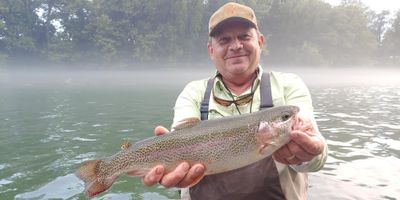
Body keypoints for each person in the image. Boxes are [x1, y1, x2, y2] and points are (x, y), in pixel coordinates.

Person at [140, 2, 328, 200]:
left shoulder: (289, 85)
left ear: (260, 41)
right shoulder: (193, 93)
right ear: (211, 51)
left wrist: (310, 154)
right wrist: (172, 171)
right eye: (224, 40)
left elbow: (316, 158)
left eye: (244, 37)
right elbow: (180, 142)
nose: (236, 46)